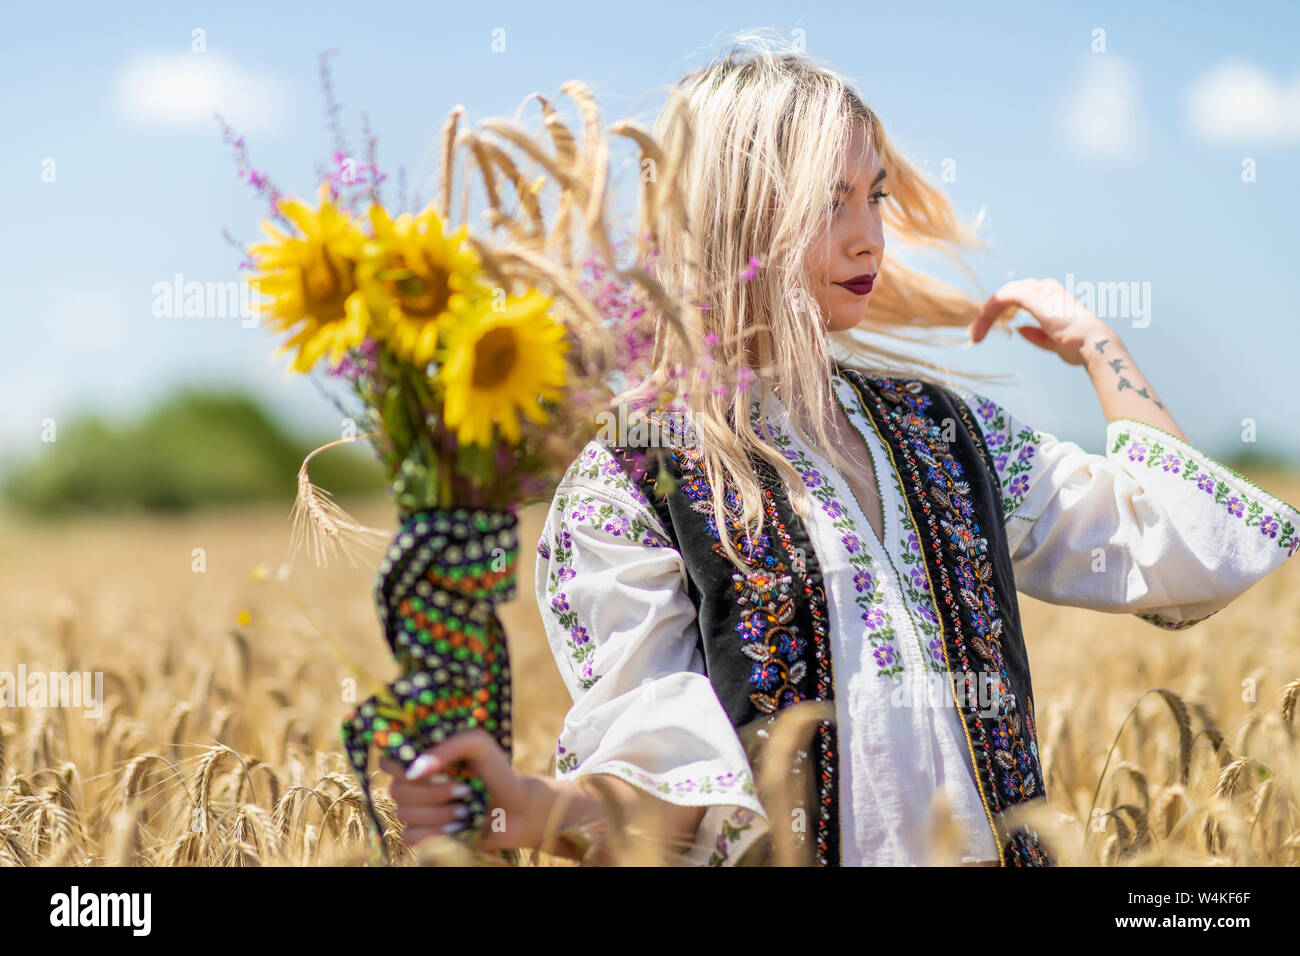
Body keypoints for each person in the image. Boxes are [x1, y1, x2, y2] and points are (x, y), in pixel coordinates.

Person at [381, 35, 1300, 866]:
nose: (871, 235)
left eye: (877, 197)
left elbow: (1180, 543)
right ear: (737, 217)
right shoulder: (634, 477)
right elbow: (670, 798)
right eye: (831, 203)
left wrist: (1098, 346)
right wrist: (524, 810)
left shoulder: (943, 430)